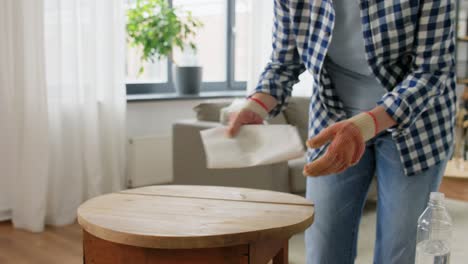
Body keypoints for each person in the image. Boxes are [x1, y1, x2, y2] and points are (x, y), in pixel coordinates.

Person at [226, 0, 456, 263]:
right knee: (323, 248)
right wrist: (256, 106)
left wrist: (365, 125)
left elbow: (432, 70)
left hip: (416, 124)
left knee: (398, 252)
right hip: (334, 119)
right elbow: (283, 62)